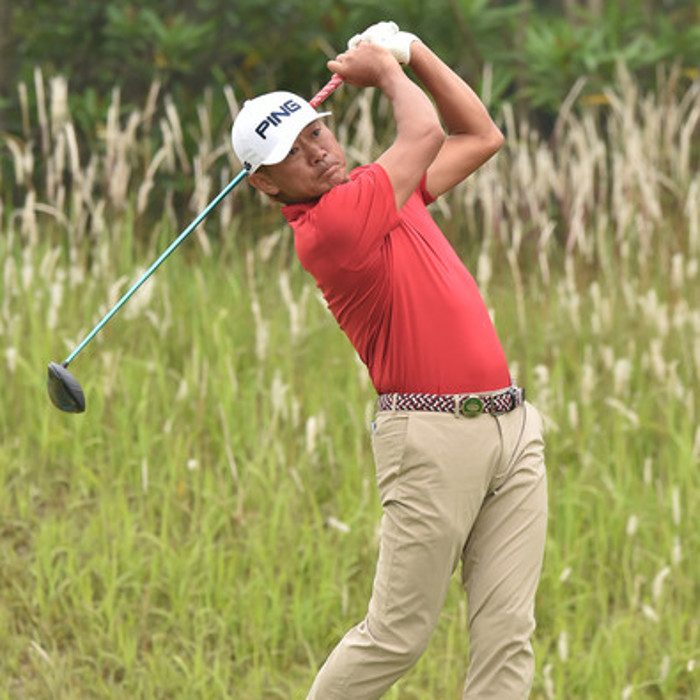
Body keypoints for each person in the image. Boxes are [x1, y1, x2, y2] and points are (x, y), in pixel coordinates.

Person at [231, 21, 547, 700]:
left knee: (508, 633)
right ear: (264, 184)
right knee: (397, 635)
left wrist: (414, 51)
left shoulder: (382, 190)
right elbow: (425, 132)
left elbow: (480, 136)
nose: (317, 151)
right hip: (431, 439)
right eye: (292, 152)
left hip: (512, 428)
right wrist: (386, 69)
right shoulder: (331, 227)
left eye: (316, 131)